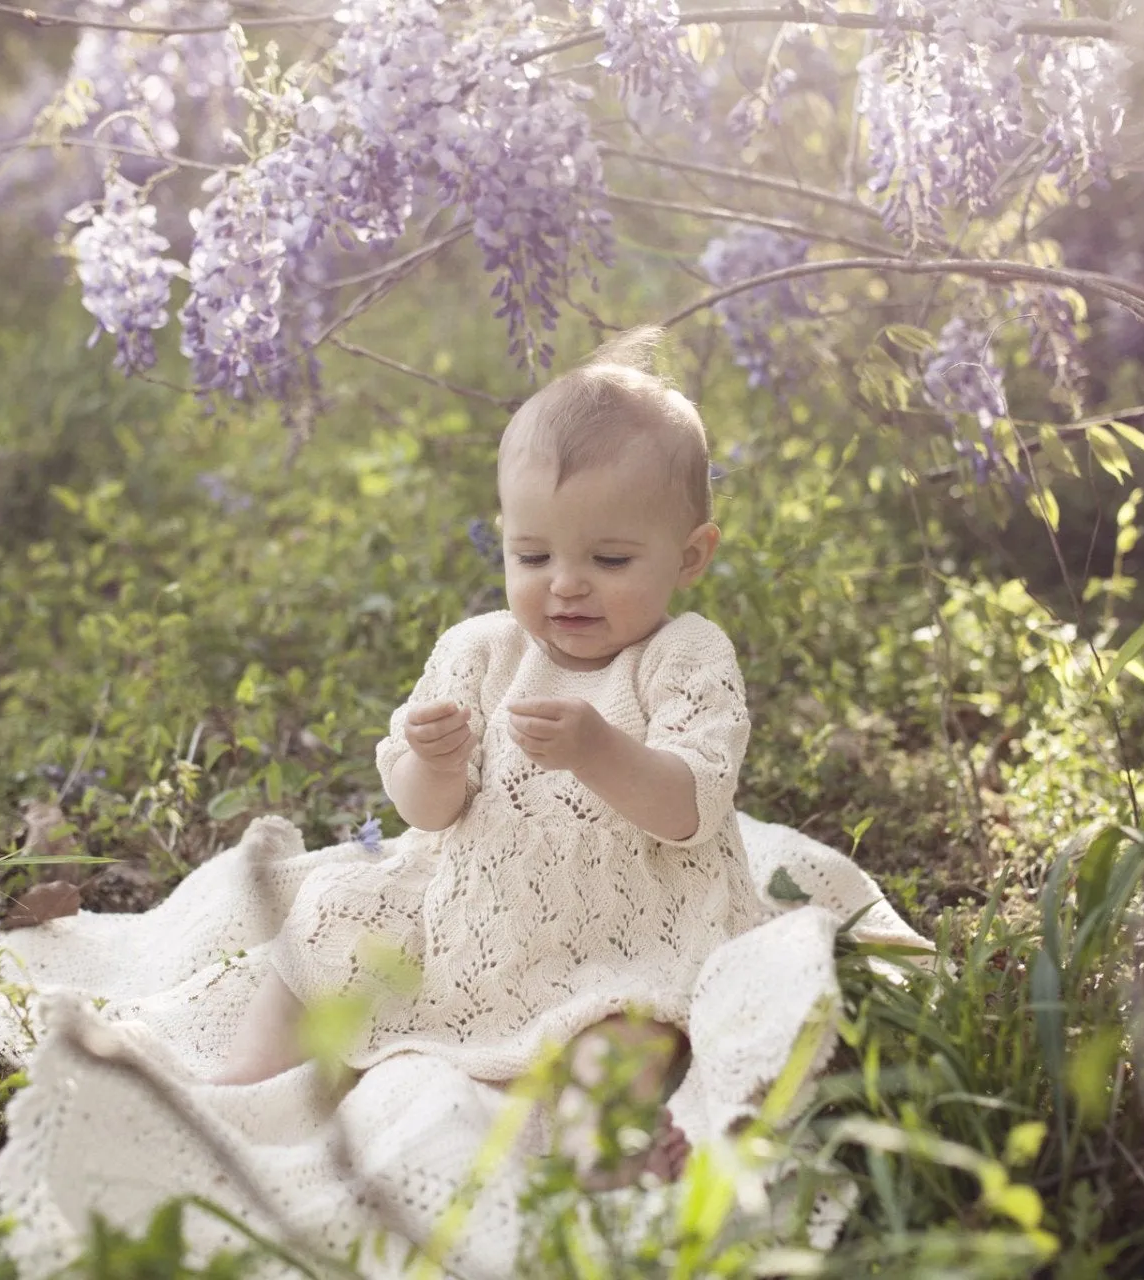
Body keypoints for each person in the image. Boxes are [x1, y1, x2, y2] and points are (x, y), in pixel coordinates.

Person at [211, 325, 768, 1180]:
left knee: (622, 1033)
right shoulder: (480, 650)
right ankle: (242, 1090)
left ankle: (603, 1150)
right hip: (465, 912)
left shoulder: (685, 657)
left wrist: (598, 749)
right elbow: (425, 810)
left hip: (624, 933)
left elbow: (691, 809)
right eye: (532, 554)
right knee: (326, 919)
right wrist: (429, 765)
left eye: (609, 558)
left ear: (690, 557)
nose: (565, 582)